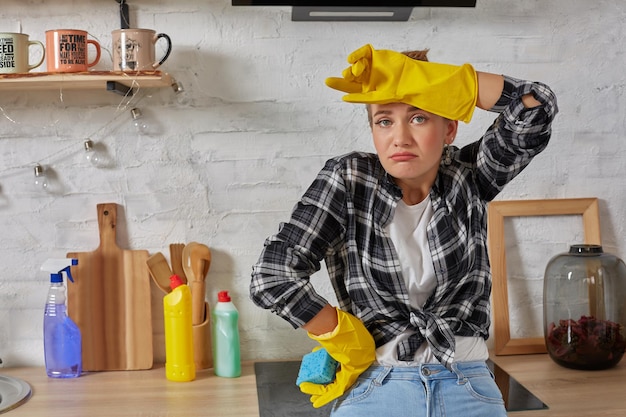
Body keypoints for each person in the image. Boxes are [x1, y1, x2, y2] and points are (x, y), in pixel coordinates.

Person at [250, 44, 558, 417]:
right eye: (384, 120)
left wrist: (434, 80)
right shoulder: (350, 180)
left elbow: (534, 107)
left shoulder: (469, 176)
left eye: (418, 118)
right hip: (379, 385)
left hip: (468, 385)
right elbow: (272, 276)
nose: (399, 137)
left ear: (448, 128)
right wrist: (344, 336)